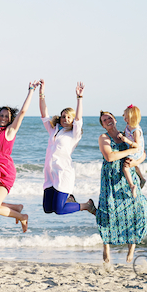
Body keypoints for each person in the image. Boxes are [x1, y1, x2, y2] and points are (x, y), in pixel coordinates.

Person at [0, 81, 39, 232]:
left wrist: (31, 91)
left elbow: (23, 112)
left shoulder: (10, 131)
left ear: (10, 118)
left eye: (6, 116)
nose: (3, 118)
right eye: (1, 115)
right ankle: (17, 208)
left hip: (5, 170)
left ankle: (22, 216)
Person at [97, 111, 147, 264]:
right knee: (108, 212)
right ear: (103, 125)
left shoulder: (125, 134)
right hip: (110, 179)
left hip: (128, 178)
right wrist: (131, 151)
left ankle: (131, 247)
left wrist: (136, 161)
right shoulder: (104, 137)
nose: (108, 121)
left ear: (115, 119)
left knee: (137, 211)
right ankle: (106, 247)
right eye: (104, 120)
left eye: (109, 118)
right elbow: (110, 156)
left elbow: (142, 151)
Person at [39, 79, 96, 216]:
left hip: (63, 173)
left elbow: (78, 120)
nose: (65, 119)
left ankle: (87, 205)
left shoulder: (74, 134)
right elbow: (44, 115)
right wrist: (41, 94)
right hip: (50, 174)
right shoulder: (54, 130)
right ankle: (70, 199)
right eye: (63, 116)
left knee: (59, 210)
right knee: (48, 209)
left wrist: (79, 98)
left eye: (69, 117)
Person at [121, 104, 147, 199]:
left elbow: (137, 145)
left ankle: (132, 186)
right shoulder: (128, 125)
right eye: (124, 117)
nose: (125, 119)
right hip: (131, 149)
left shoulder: (136, 130)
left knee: (125, 167)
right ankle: (142, 178)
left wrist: (126, 140)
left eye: (127, 118)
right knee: (134, 165)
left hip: (136, 151)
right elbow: (125, 134)